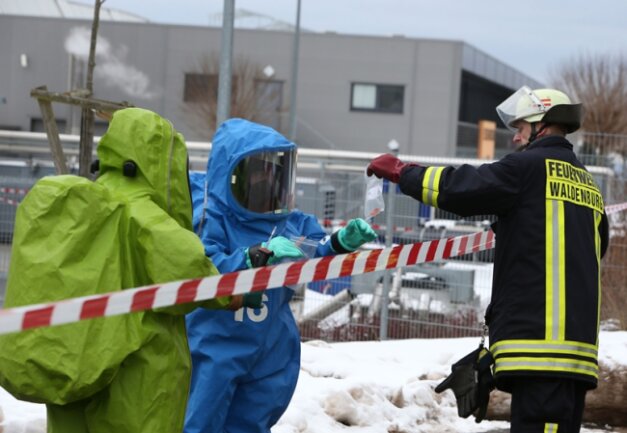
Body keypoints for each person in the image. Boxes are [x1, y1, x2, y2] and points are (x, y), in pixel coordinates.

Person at [367, 87, 609, 433]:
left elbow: (458, 188)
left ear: (542, 123)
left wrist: (403, 172)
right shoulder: (589, 186)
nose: (516, 136)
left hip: (539, 350)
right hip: (576, 353)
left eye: (522, 126)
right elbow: (592, 251)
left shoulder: (527, 168)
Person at [0, 108, 236, 433]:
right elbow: (192, 275)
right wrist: (232, 296)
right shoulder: (146, 217)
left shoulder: (82, 206)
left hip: (72, 360)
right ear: (159, 161)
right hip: (134, 372)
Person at [184, 118, 376, 433]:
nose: (268, 179)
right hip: (217, 343)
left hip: (270, 348)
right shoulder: (210, 214)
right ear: (232, 174)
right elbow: (204, 264)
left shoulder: (286, 222)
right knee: (200, 423)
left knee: (251, 423)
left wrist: (338, 243)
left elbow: (311, 254)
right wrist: (250, 256)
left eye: (274, 170)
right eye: (258, 169)